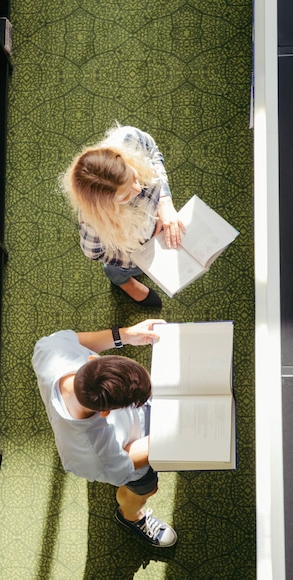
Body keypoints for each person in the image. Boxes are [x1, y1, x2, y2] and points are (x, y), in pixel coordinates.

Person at [32, 318, 177, 548]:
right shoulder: (91, 454)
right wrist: (171, 434)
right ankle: (131, 517)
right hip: (132, 452)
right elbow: (124, 465)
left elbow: (75, 340)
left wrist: (125, 335)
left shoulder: (49, 348)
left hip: (131, 434)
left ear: (92, 360)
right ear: (106, 412)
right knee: (147, 488)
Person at [59, 124, 186, 308]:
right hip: (133, 252)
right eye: (125, 196)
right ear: (105, 208)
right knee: (118, 272)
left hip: (154, 221)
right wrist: (143, 257)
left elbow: (152, 151)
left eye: (133, 177)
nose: (138, 188)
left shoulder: (128, 138)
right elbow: (95, 253)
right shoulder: (93, 226)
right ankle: (123, 282)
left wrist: (164, 200)